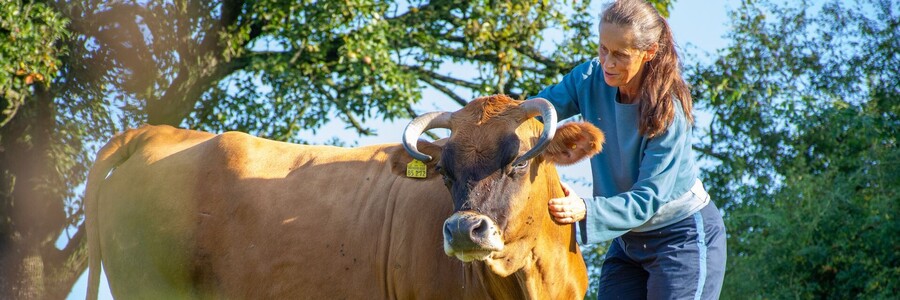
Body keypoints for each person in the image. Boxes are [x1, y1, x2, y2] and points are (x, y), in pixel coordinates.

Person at [534, 0, 727, 299]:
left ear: (648, 52)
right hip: (627, 242)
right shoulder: (587, 78)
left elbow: (647, 199)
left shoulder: (669, 111)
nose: (607, 63)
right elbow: (534, 114)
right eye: (603, 49)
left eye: (620, 55)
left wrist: (585, 208)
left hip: (682, 238)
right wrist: (482, 125)